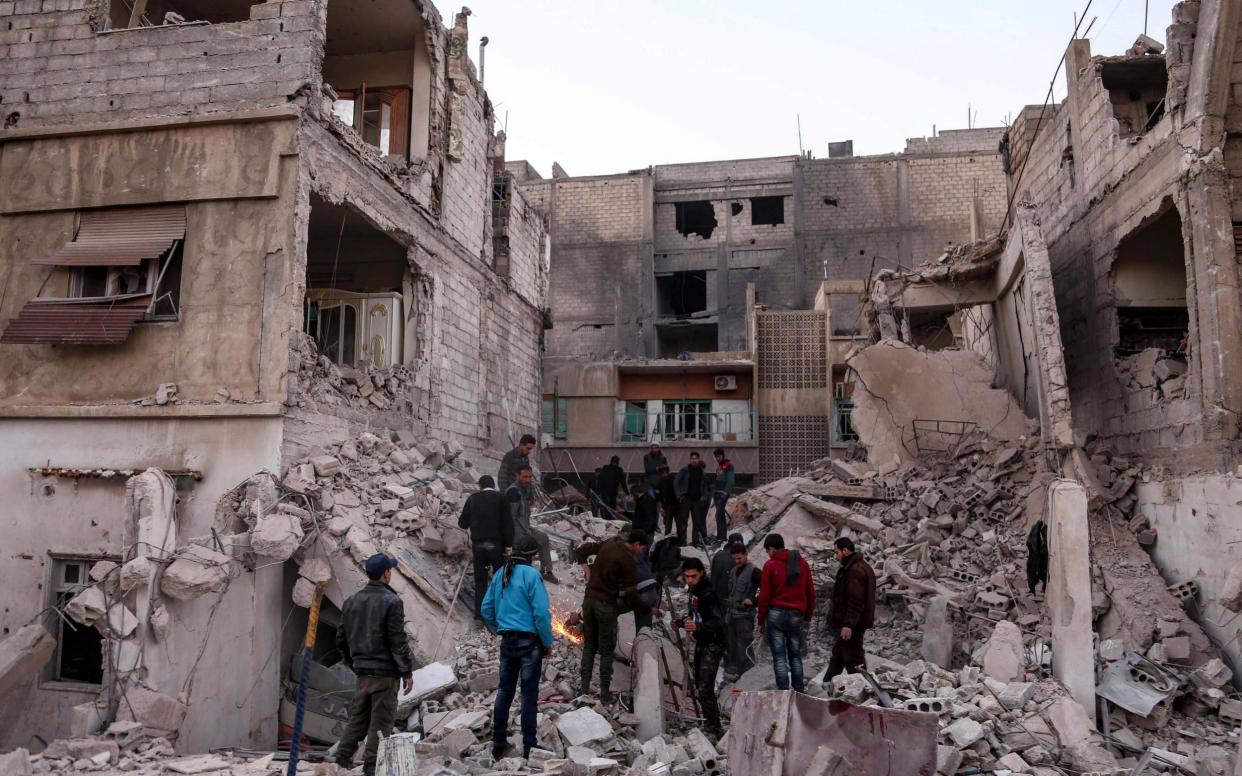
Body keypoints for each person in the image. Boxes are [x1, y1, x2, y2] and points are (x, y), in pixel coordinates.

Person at [334, 554, 414, 776]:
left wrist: (354, 663)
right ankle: (371, 766)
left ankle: (341, 758)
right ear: (386, 574)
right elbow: (397, 640)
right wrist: (406, 672)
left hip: (362, 670)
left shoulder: (351, 601)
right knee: (382, 720)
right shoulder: (393, 602)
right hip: (385, 672)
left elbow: (341, 638)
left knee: (359, 716)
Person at [481, 536, 553, 760]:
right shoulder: (532, 575)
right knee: (529, 695)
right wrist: (547, 642)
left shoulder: (501, 573)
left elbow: (486, 609)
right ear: (532, 556)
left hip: (508, 642)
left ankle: (499, 743)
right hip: (530, 643)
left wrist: (499, 628)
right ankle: (529, 745)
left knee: (505, 691)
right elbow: (541, 613)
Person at [573, 529, 652, 703]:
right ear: (637, 544)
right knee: (606, 650)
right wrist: (647, 609)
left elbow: (580, 551)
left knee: (589, 647)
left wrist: (587, 570)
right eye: (643, 549)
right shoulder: (628, 560)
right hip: (605, 606)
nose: (642, 553)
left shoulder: (608, 544)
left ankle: (584, 688)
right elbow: (631, 594)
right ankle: (604, 694)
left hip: (588, 602)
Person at [757, 533, 815, 692]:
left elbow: (764, 596)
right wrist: (808, 617)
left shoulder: (770, 565)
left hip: (775, 615)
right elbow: (810, 592)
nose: (768, 554)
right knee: (795, 656)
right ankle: (799, 691)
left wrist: (761, 621)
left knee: (779, 657)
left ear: (772, 549)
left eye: (767, 551)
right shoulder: (802, 564)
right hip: (797, 615)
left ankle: (783, 692)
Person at [679, 557, 726, 739]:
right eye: (687, 576)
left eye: (694, 576)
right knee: (700, 684)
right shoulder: (694, 591)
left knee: (705, 686)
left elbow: (717, 622)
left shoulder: (708, 593)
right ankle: (710, 722)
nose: (690, 580)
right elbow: (694, 617)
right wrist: (681, 622)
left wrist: (697, 627)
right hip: (702, 641)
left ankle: (715, 728)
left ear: (702, 574)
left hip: (714, 642)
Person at [458, 474, 512, 620]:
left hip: (479, 545)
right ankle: (500, 613)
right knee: (500, 579)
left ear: (480, 487)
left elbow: (462, 523)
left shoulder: (472, 499)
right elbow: (508, 524)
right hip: (496, 545)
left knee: (480, 581)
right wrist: (508, 546)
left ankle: (479, 616)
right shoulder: (501, 498)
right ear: (493, 486)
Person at [826, 536, 877, 680]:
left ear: (845, 550)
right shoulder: (859, 567)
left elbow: (856, 601)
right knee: (839, 654)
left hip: (853, 625)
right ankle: (827, 685)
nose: (836, 557)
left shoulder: (855, 571)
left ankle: (863, 688)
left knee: (854, 659)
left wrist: (848, 624)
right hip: (853, 623)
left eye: (837, 553)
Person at [505, 465, 559, 584]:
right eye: (525, 477)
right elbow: (510, 517)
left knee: (543, 538)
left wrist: (529, 528)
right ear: (517, 476)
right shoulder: (513, 492)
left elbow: (522, 515)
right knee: (530, 544)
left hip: (524, 530)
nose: (528, 480)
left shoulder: (523, 491)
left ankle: (546, 572)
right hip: (516, 534)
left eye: (529, 477)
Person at [725, 543, 761, 681]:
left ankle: (748, 677)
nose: (737, 561)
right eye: (734, 559)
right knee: (733, 646)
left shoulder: (754, 572)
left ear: (746, 554)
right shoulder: (734, 571)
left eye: (739, 558)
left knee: (744, 647)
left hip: (745, 618)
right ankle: (737, 674)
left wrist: (754, 601)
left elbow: (768, 590)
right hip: (733, 615)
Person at [674, 452, 711, 547]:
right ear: (690, 459)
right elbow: (676, 482)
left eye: (696, 458)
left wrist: (704, 496)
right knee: (683, 522)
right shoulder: (684, 470)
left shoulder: (702, 472)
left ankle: (695, 543)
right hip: (686, 499)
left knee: (697, 522)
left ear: (698, 460)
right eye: (692, 458)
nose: (694, 460)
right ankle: (683, 542)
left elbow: (705, 486)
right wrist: (679, 495)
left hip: (697, 500)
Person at [710, 532, 744, 605]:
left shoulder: (719, 555)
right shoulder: (739, 558)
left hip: (720, 596)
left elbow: (713, 577)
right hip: (733, 598)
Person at [711, 449, 735, 541]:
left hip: (723, 493)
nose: (717, 458)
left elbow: (731, 481)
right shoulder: (719, 466)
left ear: (722, 456)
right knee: (719, 516)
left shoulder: (729, 466)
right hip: (717, 493)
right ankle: (720, 536)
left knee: (719, 515)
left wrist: (726, 492)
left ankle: (721, 537)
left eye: (719, 456)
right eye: (716, 457)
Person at [657, 466, 679, 535]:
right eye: (662, 473)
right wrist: (661, 508)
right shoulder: (660, 482)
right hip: (667, 505)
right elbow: (658, 497)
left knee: (680, 524)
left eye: (665, 473)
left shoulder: (675, 479)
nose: (663, 475)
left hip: (677, 504)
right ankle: (667, 541)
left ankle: (681, 541)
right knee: (667, 524)